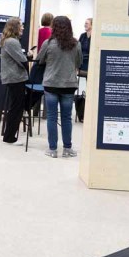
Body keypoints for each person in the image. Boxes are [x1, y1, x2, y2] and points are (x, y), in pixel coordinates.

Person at [36, 16, 82, 158]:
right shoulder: (76, 44)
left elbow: (39, 60)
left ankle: (52, 149)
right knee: (67, 118)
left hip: (51, 84)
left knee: (51, 117)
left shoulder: (48, 43)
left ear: (54, 27)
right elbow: (79, 63)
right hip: (69, 85)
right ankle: (67, 148)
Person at [0, 17, 29, 144]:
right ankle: (10, 137)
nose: (22, 27)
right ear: (15, 27)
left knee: (16, 107)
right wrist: (27, 60)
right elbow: (22, 60)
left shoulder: (10, 41)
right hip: (15, 78)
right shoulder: (12, 42)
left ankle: (9, 136)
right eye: (21, 25)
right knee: (16, 108)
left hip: (13, 78)